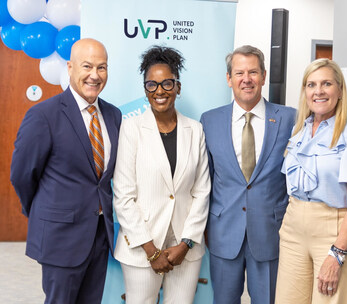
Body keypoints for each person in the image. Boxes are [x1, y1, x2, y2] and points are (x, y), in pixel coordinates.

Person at [10, 38, 122, 304]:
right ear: (70, 67)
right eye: (87, 66)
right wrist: (42, 213)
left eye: (102, 67)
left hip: (100, 235)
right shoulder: (43, 115)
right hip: (60, 237)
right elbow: (22, 175)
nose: (95, 75)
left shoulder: (113, 115)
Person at [275, 58, 347, 304]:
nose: (318, 91)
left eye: (326, 84)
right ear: (305, 91)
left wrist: (337, 254)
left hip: (333, 233)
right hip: (292, 230)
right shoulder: (299, 133)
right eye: (311, 85)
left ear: (340, 90)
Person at [112, 45, 210, 304]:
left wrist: (185, 244)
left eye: (167, 83)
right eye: (151, 85)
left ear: (178, 86)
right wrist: (151, 251)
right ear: (145, 90)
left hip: (185, 248)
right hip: (141, 246)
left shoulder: (196, 130)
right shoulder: (131, 128)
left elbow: (201, 192)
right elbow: (123, 195)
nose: (159, 91)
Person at [200, 45, 296, 304]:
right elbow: (204, 180)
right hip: (223, 233)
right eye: (239, 72)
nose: (247, 79)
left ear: (264, 76)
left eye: (253, 72)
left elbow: (294, 179)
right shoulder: (209, 121)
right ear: (229, 79)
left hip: (270, 232)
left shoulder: (289, 119)